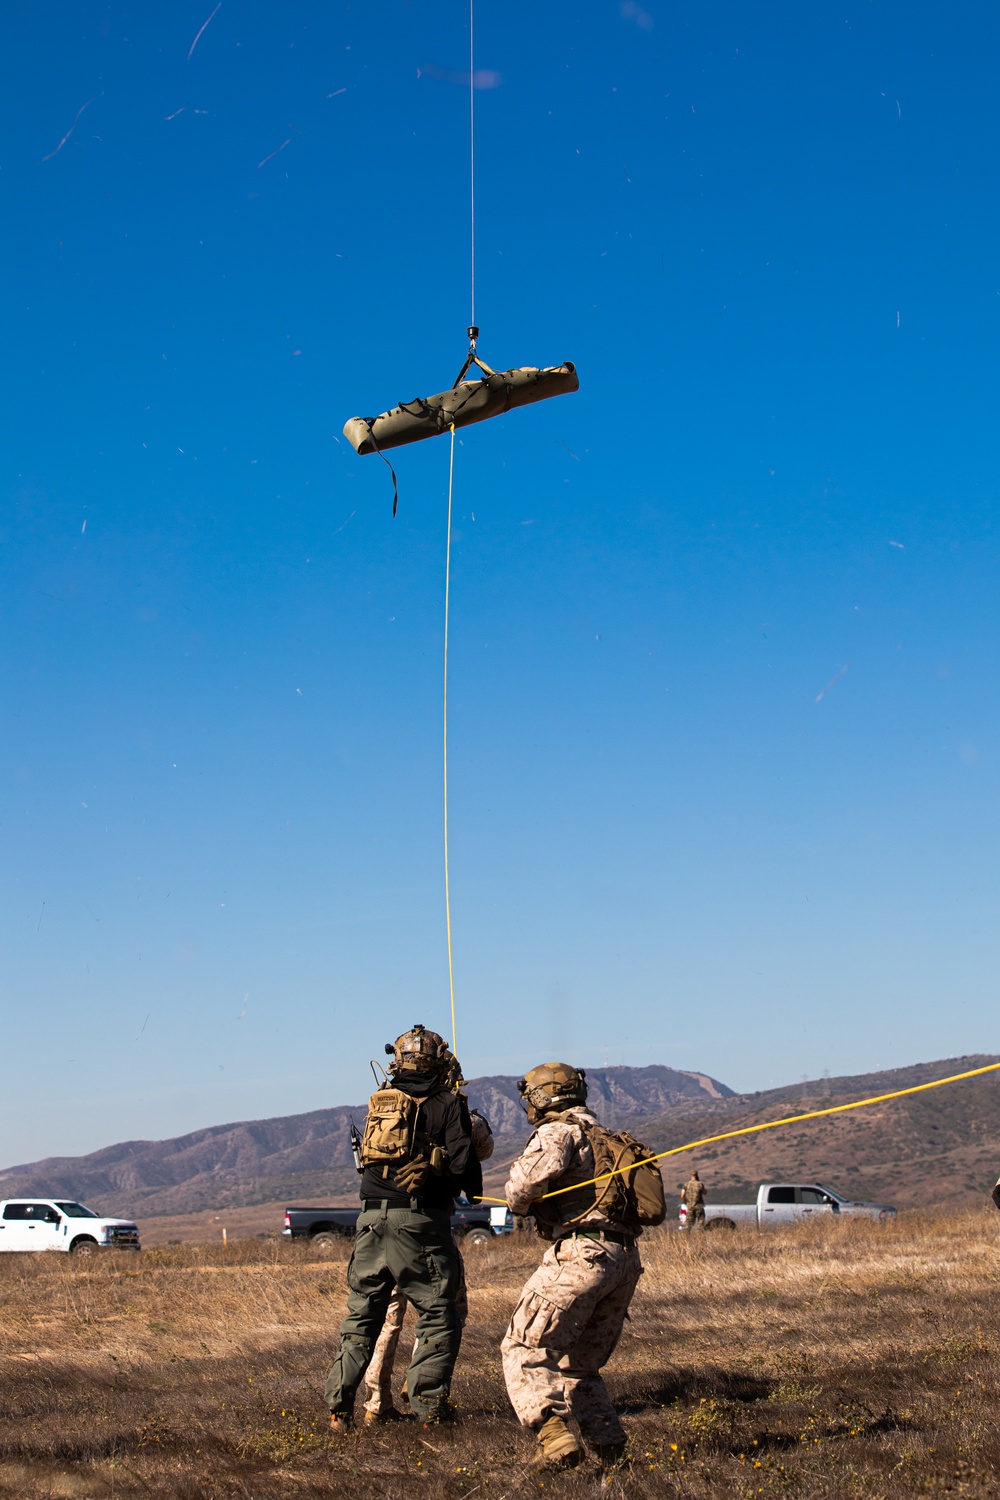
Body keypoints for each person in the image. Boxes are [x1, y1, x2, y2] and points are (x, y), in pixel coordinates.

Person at [324, 1025, 482, 1432]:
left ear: (397, 1060)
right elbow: (464, 1166)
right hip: (419, 1223)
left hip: (369, 1219)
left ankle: (339, 1409)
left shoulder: (379, 1101)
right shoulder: (448, 1102)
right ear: (439, 1060)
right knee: (439, 1311)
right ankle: (430, 1409)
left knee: (362, 1316)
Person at [500, 1061, 644, 1472]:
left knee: (524, 1346)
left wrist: (518, 1201)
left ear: (540, 1098)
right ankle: (611, 1452)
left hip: (583, 1254)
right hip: (625, 1260)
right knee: (579, 1366)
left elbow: (524, 1186)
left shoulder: (558, 1131)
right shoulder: (608, 1137)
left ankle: (552, 1436)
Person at [361, 1070, 494, 1423]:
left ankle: (376, 1402)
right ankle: (421, 1383)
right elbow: (480, 1151)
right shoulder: (457, 1113)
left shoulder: (381, 1114)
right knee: (446, 1310)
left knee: (386, 1319)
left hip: (379, 1229)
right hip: (428, 1232)